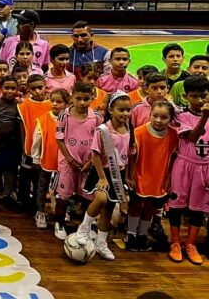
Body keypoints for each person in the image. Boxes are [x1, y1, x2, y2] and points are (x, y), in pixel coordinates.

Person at [75, 92, 133, 261]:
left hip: (120, 174)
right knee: (101, 199)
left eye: (128, 110)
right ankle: (84, 228)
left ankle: (101, 242)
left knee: (109, 209)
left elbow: (130, 154)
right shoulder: (103, 130)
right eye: (121, 110)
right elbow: (95, 155)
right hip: (103, 172)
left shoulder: (130, 129)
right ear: (111, 109)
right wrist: (102, 177)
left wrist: (128, 176)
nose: (125, 114)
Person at [125, 101, 178, 252]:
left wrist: (169, 179)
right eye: (155, 116)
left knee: (150, 206)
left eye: (164, 117)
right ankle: (130, 234)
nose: (158, 120)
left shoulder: (174, 135)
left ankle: (142, 235)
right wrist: (129, 177)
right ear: (150, 114)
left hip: (159, 176)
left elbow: (174, 159)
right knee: (137, 205)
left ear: (170, 118)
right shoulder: (138, 132)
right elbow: (131, 157)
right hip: (140, 174)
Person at [53, 82, 103, 240]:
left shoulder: (96, 117)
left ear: (92, 98)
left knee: (87, 196)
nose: (82, 102)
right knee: (63, 196)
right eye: (78, 98)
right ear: (72, 98)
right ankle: (59, 223)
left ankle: (85, 226)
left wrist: (90, 162)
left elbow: (99, 141)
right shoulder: (64, 115)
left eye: (86, 99)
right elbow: (59, 139)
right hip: (68, 163)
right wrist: (69, 158)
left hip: (88, 164)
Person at [168, 76, 209, 264]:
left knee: (198, 207)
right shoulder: (182, 116)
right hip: (184, 165)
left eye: (203, 96)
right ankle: (175, 242)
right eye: (195, 96)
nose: (200, 100)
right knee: (177, 205)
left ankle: (191, 243)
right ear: (186, 96)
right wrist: (204, 117)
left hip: (205, 168)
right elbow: (193, 137)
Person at [30, 89, 70, 228]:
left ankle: (62, 210)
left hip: (65, 161)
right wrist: (35, 158)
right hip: (47, 158)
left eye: (59, 102)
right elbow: (37, 139)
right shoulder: (43, 119)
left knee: (63, 188)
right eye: (52, 101)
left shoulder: (69, 119)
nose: (54, 104)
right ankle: (40, 212)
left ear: (66, 103)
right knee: (42, 186)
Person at [16, 75, 52, 213]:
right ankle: (23, 202)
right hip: (29, 147)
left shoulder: (51, 104)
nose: (37, 91)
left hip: (46, 148)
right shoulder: (24, 105)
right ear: (28, 89)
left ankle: (38, 205)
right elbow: (22, 127)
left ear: (45, 87)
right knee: (25, 175)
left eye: (40, 87)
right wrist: (24, 146)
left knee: (40, 178)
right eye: (33, 89)